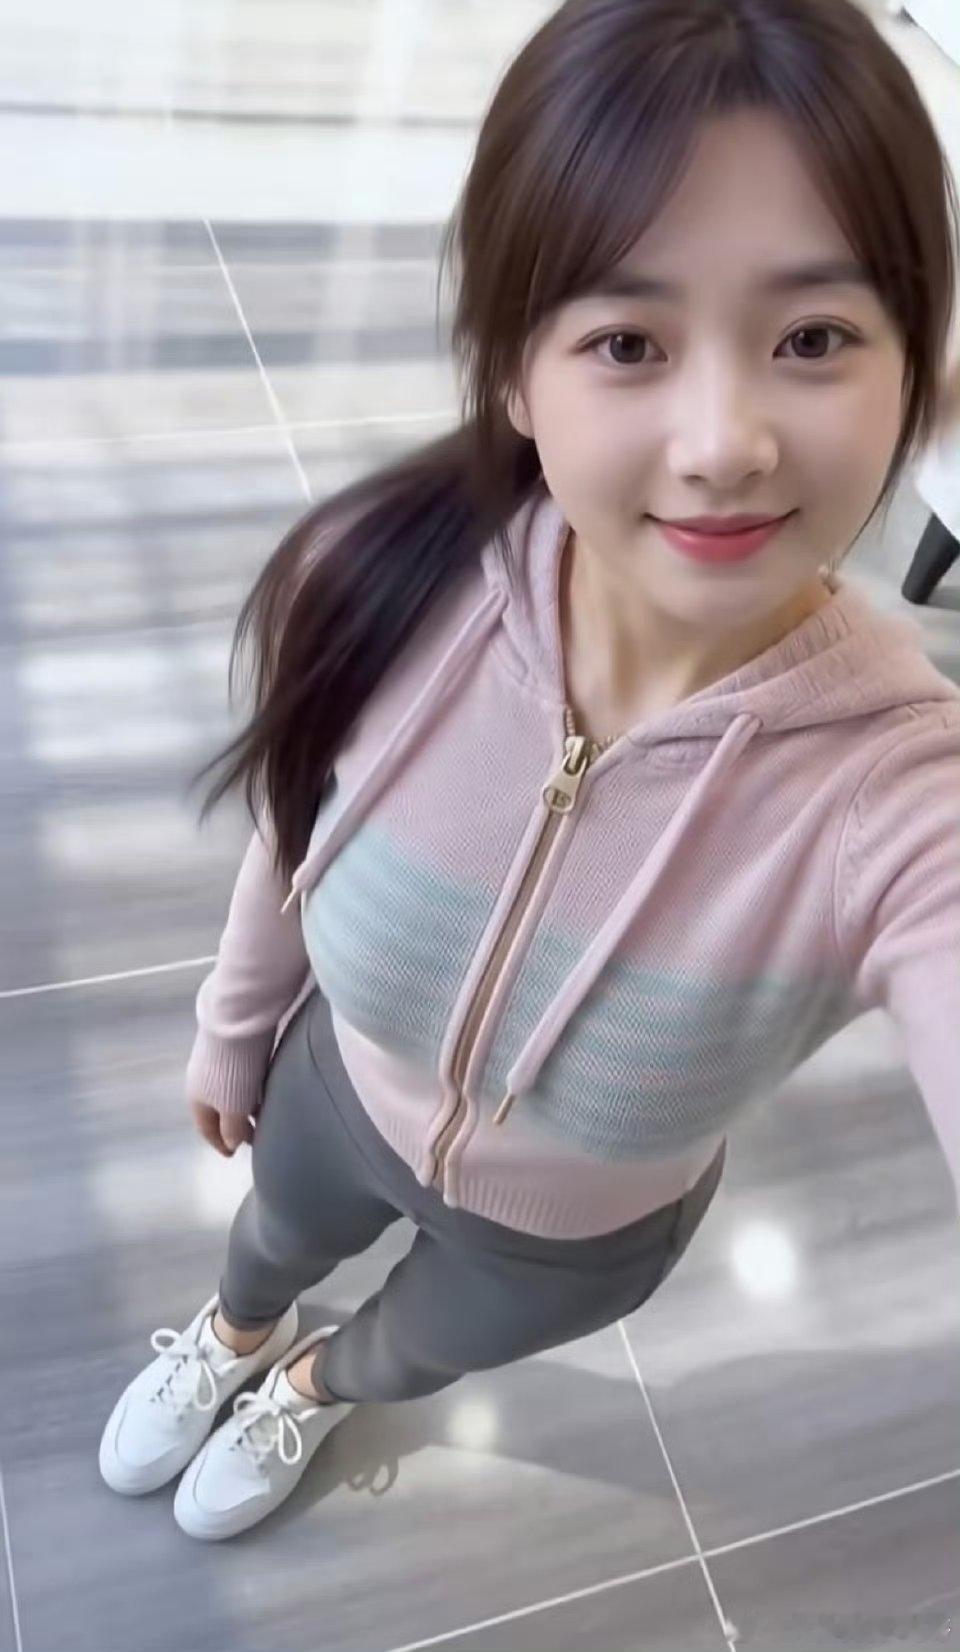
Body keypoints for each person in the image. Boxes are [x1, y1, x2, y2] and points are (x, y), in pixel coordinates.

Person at [99, 0, 960, 1544]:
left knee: (408, 1346)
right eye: (629, 342)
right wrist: (232, 1031)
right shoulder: (380, 580)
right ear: (515, 370)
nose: (724, 442)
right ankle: (232, 1335)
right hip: (337, 1091)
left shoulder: (902, 793)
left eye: (813, 339)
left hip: (569, 1242)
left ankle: (314, 1385)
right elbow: (294, 824)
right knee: (270, 1239)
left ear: (915, 375)